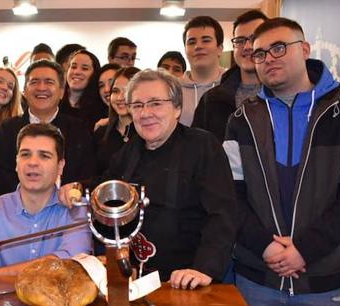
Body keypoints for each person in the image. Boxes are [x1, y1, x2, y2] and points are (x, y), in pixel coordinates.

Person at [223, 17, 340, 306]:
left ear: (304, 50)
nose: (268, 59)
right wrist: (266, 249)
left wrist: (303, 249)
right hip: (258, 272)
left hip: (322, 271)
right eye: (259, 53)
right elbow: (232, 197)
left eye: (279, 48)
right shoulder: (241, 120)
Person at [61, 69, 236, 288]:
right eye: (137, 105)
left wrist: (204, 269)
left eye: (155, 103)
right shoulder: (130, 150)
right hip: (139, 277)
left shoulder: (203, 146)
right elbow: (107, 186)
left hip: (189, 277)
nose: (145, 113)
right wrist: (77, 187)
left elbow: (222, 213)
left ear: (177, 108)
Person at [0, 123, 92, 270]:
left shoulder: (75, 208)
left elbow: (73, 263)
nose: (33, 162)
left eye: (44, 156)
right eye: (25, 154)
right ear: (16, 163)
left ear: (60, 166)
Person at [0, 60, 96, 196]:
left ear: (62, 91)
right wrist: (30, 197)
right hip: (17, 210)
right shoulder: (8, 129)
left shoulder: (79, 130)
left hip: (66, 210)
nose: (41, 87)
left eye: (49, 82)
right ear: (25, 91)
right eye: (34, 82)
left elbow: (89, 174)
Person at [192, 10, 268, 141]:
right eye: (240, 40)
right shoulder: (211, 100)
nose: (247, 46)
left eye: (254, 39)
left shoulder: (284, 93)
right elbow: (198, 150)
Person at [179, 16, 225, 127]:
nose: (198, 46)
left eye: (206, 40)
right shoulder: (172, 89)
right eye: (191, 42)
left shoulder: (232, 84)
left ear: (220, 48)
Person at [94, 66, 140, 174]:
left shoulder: (149, 132)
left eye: (127, 91)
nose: (120, 97)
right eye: (115, 91)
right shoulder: (101, 133)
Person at [60, 49, 107, 128]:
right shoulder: (55, 104)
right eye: (73, 67)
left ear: (94, 74)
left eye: (84, 68)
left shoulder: (102, 110)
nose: (77, 72)